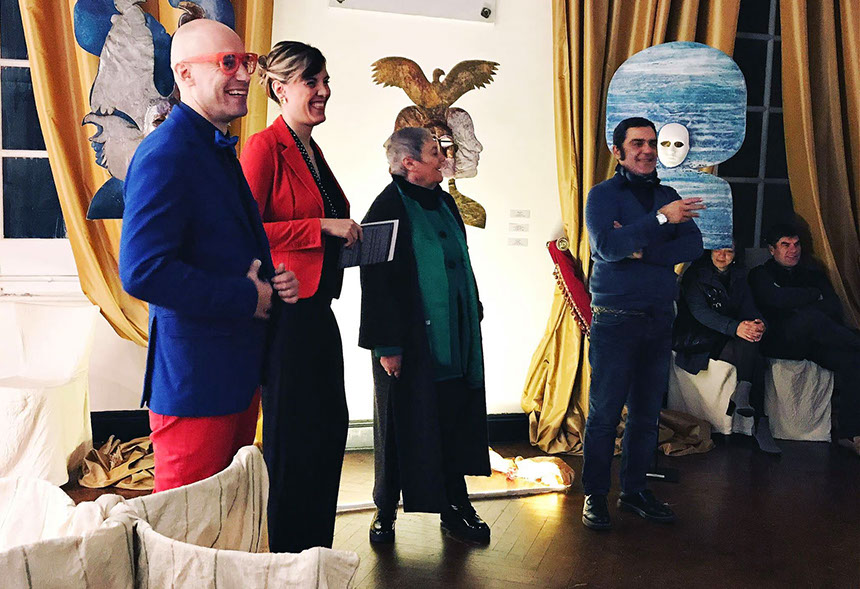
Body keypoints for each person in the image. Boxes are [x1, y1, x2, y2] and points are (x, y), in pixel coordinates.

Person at [119, 19, 299, 492]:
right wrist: (248, 297)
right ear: (185, 74)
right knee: (186, 527)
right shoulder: (167, 152)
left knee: (225, 519)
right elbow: (142, 272)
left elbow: (220, 247)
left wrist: (272, 281)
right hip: (196, 382)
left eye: (247, 61)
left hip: (233, 373)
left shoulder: (212, 148)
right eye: (227, 62)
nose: (243, 75)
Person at [239, 41, 362, 553]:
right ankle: (288, 558)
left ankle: (316, 553)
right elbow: (246, 231)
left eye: (325, 80)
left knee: (329, 430)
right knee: (293, 441)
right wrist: (322, 227)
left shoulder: (312, 150)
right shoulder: (264, 146)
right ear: (280, 89)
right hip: (288, 315)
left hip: (318, 309)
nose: (324, 91)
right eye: (311, 81)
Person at [359, 127, 492, 545]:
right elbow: (374, 282)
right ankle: (384, 511)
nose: (444, 158)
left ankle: (455, 506)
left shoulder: (446, 202)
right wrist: (387, 346)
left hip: (453, 338)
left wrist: (472, 307)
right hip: (406, 343)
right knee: (397, 427)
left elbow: (461, 262)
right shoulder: (384, 207)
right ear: (409, 163)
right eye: (435, 152)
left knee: (450, 419)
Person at [582, 117, 705, 530]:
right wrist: (661, 222)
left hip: (658, 318)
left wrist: (641, 249)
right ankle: (595, 496)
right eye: (638, 143)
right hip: (615, 320)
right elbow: (607, 246)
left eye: (652, 143)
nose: (648, 150)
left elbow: (693, 245)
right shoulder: (602, 196)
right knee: (604, 415)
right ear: (617, 151)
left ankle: (633, 492)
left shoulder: (668, 195)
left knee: (646, 415)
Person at [748, 223, 860, 457]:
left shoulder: (812, 273)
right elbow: (775, 299)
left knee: (854, 360)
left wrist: (797, 303)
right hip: (780, 340)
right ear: (772, 250)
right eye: (785, 245)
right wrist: (812, 296)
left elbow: (832, 305)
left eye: (796, 244)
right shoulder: (760, 274)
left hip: (814, 342)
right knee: (810, 317)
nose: (793, 250)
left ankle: (850, 434)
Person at [673, 246, 781, 454]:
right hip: (699, 337)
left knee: (751, 338)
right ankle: (759, 421)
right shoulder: (695, 275)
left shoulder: (739, 275)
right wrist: (736, 327)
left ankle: (743, 393)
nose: (722, 256)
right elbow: (700, 313)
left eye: (729, 251)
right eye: (718, 250)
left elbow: (750, 308)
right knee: (754, 355)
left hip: (727, 334)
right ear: (710, 251)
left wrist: (760, 324)